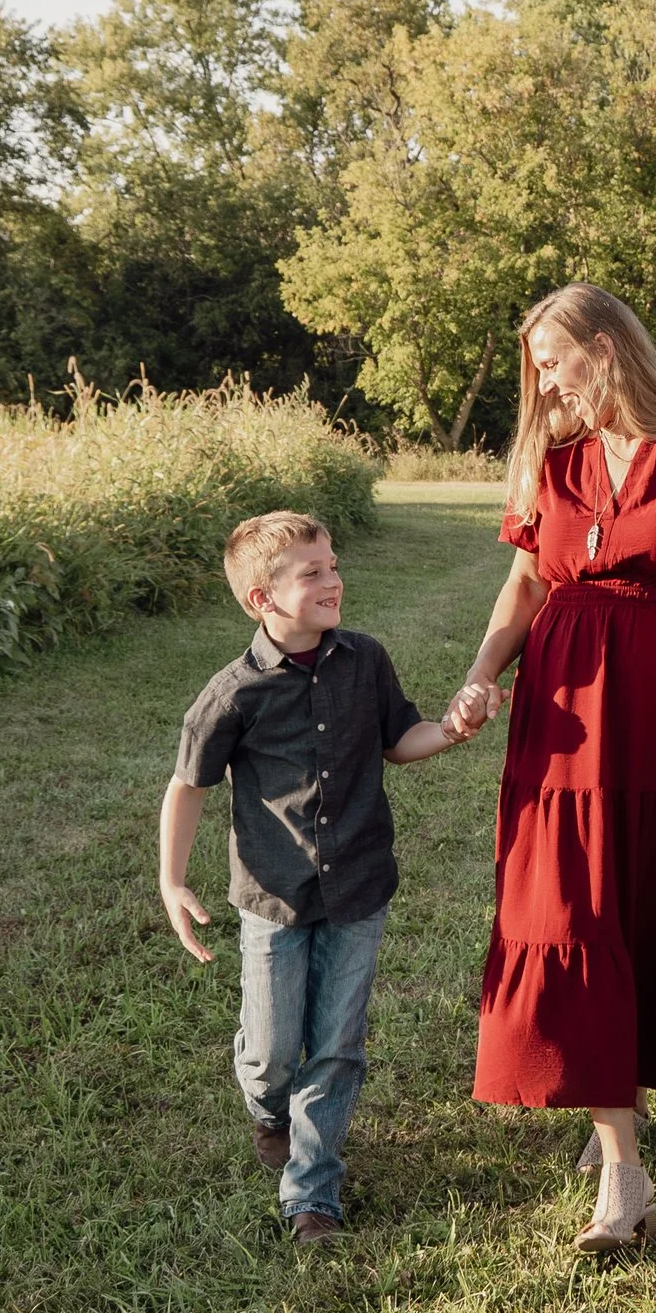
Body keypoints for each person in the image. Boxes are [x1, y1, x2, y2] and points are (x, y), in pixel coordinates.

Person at [445, 283, 656, 1253]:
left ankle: (614, 1101)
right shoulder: (549, 459)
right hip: (565, 708)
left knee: (649, 893)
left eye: (553, 361)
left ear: (605, 347)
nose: (544, 382)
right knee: (567, 907)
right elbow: (523, 582)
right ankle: (624, 1172)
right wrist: (477, 677)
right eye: (538, 369)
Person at [158, 510, 461, 1244]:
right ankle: (267, 1108)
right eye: (313, 573)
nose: (334, 581)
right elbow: (187, 785)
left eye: (333, 565)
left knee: (335, 1046)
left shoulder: (365, 659)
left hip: (358, 887)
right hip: (273, 897)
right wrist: (173, 881)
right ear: (263, 598)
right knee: (269, 1051)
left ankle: (312, 1193)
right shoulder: (233, 692)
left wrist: (452, 728)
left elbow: (400, 741)